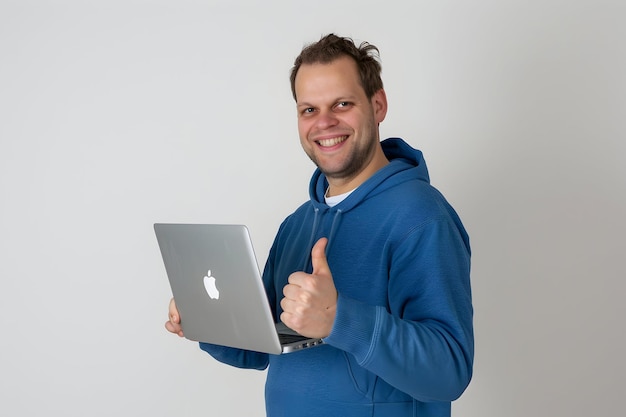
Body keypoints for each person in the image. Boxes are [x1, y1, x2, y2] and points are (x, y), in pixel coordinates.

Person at [166, 33, 473, 417]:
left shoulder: (422, 216)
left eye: (342, 104)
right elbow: (262, 346)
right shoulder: (297, 223)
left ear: (378, 105)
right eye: (308, 110)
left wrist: (339, 318)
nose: (324, 122)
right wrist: (206, 321)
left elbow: (450, 371)